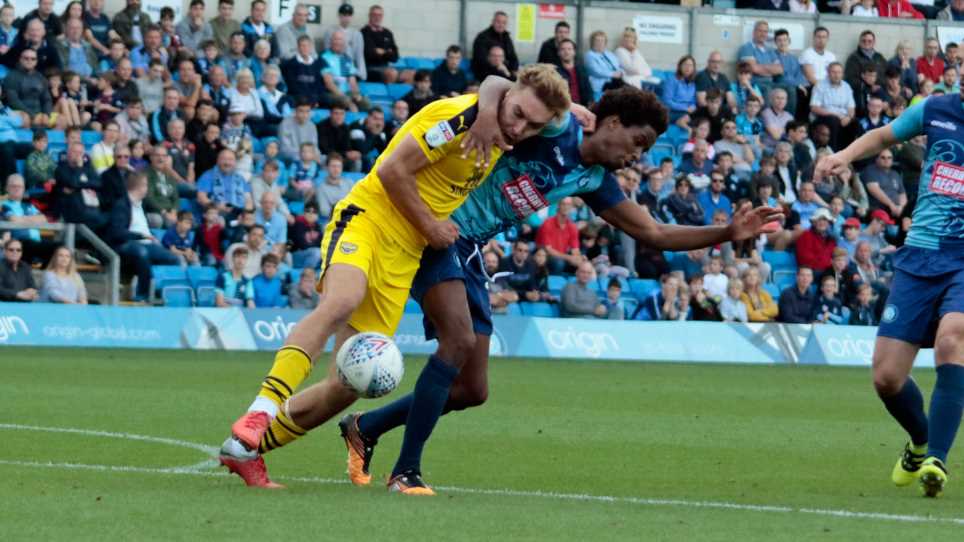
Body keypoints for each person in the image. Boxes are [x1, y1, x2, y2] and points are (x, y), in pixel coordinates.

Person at [324, 87, 779, 495]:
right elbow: (503, 85)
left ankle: (366, 427)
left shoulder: (593, 179)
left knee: (472, 389)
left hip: (470, 247)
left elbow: (654, 233)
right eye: (638, 141)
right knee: (457, 340)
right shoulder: (558, 124)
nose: (637, 156)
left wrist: (726, 231)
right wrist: (487, 115)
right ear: (612, 123)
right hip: (440, 229)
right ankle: (406, 472)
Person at [216, 65, 572, 490]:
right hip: (368, 220)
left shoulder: (502, 129)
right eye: (517, 114)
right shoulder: (459, 119)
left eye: (533, 125)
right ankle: (261, 410)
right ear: (508, 96)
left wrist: (573, 112)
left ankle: (246, 450)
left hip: (405, 255)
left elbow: (511, 92)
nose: (519, 128)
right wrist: (432, 226)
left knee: (347, 383)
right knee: (343, 300)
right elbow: (392, 172)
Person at [815, 79, 964, 495]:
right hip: (920, 255)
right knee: (886, 377)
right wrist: (842, 156)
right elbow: (883, 135)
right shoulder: (935, 109)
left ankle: (936, 459)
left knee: (953, 338)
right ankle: (920, 443)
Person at [106, 172, 179, 302]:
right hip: (126, 243)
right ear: (139, 187)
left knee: (173, 259)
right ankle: (143, 294)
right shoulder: (121, 205)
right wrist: (140, 236)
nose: (147, 189)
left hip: (146, 242)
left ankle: (161, 292)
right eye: (145, 185)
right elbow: (117, 232)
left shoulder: (142, 204)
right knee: (141, 252)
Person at [54, 142, 106, 232]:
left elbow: (99, 183)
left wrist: (80, 186)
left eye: (80, 153)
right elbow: (73, 183)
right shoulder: (61, 169)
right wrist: (79, 168)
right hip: (72, 210)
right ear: (68, 153)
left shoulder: (88, 167)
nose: (78, 155)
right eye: (75, 152)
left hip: (91, 207)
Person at [810, 62, 855, 151]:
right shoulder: (820, 86)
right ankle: (833, 152)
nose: (836, 75)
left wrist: (849, 117)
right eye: (833, 72)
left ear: (842, 74)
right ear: (828, 73)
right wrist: (836, 115)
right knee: (833, 120)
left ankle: (851, 154)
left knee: (855, 124)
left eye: (839, 72)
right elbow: (814, 108)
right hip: (824, 116)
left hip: (843, 117)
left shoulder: (846, 86)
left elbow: (851, 107)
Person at [322, 29, 370, 112]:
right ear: (331, 42)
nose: (337, 42)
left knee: (365, 103)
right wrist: (349, 102)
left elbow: (353, 82)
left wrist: (357, 95)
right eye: (335, 39)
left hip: (346, 94)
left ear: (344, 43)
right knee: (346, 101)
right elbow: (329, 84)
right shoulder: (324, 57)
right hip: (330, 93)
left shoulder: (347, 59)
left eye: (340, 40)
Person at [737, 21, 783, 101]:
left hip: (771, 82)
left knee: (790, 89)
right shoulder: (747, 48)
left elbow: (780, 69)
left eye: (765, 32)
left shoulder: (770, 49)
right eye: (760, 31)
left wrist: (761, 67)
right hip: (754, 83)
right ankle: (766, 110)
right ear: (754, 32)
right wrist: (771, 69)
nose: (763, 34)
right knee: (767, 89)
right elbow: (754, 69)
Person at [536, 196, 582, 274]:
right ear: (558, 206)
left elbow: (575, 249)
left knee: (581, 263)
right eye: (563, 204)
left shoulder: (572, 226)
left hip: (562, 256)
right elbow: (548, 250)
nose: (566, 207)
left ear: (572, 207)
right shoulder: (548, 223)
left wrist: (578, 258)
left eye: (569, 205)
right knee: (559, 263)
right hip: (546, 256)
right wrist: (569, 258)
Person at [280, 35, 329, 108]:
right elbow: (292, 86)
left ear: (311, 47)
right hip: (298, 96)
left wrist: (315, 99)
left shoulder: (317, 63)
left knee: (328, 100)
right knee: (301, 100)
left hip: (315, 96)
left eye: (307, 46)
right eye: (302, 46)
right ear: (298, 48)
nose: (305, 48)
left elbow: (319, 85)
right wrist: (311, 100)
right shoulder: (290, 64)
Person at [322, 3, 366, 82]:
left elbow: (359, 56)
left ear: (352, 16)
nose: (346, 18)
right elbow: (327, 53)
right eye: (344, 15)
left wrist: (362, 74)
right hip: (335, 68)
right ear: (339, 16)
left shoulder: (357, 34)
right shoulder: (330, 32)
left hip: (350, 68)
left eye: (349, 15)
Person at [470, 11, 517, 82]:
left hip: (503, 70)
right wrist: (500, 67)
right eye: (498, 22)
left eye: (504, 23)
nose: (501, 25)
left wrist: (514, 69)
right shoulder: (482, 37)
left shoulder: (506, 37)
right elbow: (481, 60)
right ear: (492, 22)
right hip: (485, 72)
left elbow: (513, 57)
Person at [361, 5, 401, 83]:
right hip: (370, 69)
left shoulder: (388, 33)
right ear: (369, 16)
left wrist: (382, 52)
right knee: (391, 73)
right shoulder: (364, 32)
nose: (377, 18)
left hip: (386, 67)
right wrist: (387, 52)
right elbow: (369, 54)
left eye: (380, 15)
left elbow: (395, 57)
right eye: (374, 15)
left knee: (410, 74)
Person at [862, 149, 906, 219]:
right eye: (883, 157)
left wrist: (901, 207)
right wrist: (891, 205)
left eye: (889, 158)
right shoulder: (870, 170)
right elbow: (874, 190)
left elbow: (902, 194)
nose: (886, 160)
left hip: (897, 208)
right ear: (876, 159)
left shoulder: (895, 174)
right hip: (879, 207)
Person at [584, 31, 622, 104]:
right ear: (592, 42)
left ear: (605, 43)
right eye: (597, 40)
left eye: (602, 41)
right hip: (600, 86)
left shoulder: (610, 54)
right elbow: (596, 71)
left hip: (614, 83)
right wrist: (613, 74)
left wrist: (620, 73)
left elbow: (619, 66)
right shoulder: (589, 55)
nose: (600, 43)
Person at [661, 55, 696, 130]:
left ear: (693, 68)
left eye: (690, 65)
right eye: (685, 64)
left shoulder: (693, 83)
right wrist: (685, 108)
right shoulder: (672, 80)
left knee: (702, 116)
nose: (688, 67)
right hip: (672, 111)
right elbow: (667, 101)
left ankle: (683, 123)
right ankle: (683, 123)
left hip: (687, 112)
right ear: (680, 66)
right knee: (694, 118)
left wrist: (693, 107)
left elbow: (693, 101)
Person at [554, 39, 591, 107]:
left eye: (569, 49)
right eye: (563, 49)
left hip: (582, 106)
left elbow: (588, 89)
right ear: (558, 53)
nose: (566, 52)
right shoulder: (554, 72)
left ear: (574, 52)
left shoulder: (581, 69)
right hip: (564, 107)